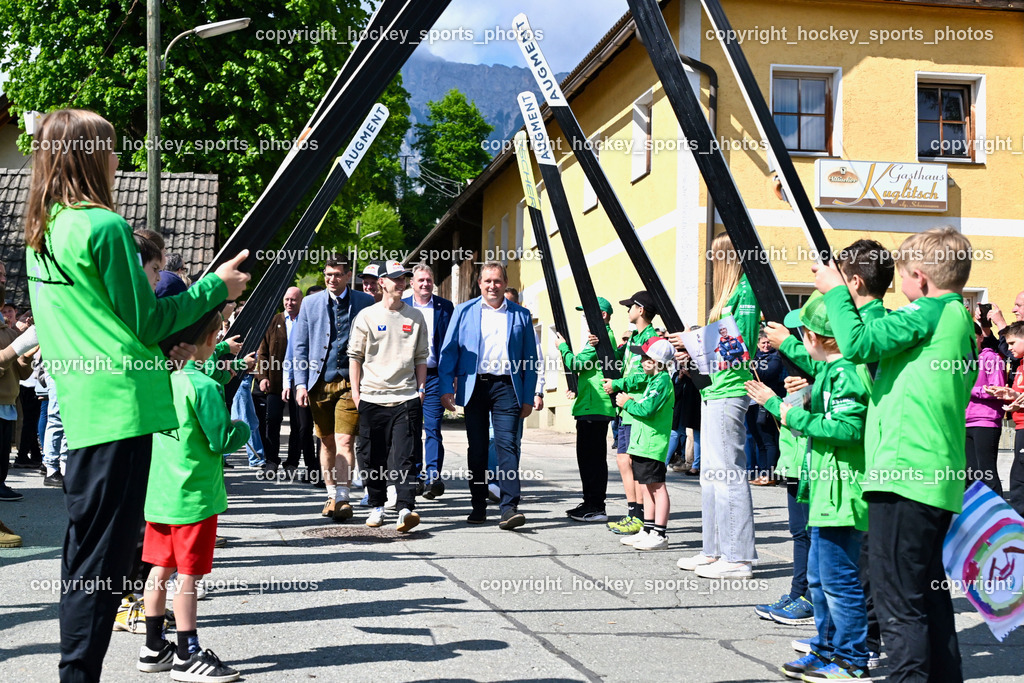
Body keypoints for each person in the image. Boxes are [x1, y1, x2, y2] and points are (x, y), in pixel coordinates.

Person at [24, 109, 249, 682]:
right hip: (123, 412)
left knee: (83, 563)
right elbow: (148, 321)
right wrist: (213, 290)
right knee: (101, 568)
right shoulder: (103, 226)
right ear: (89, 155)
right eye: (112, 148)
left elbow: (108, 325)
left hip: (85, 410)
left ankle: (76, 670)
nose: (119, 159)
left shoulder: (44, 229)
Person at [813, 226, 976, 683]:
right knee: (926, 596)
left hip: (905, 474)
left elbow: (858, 344)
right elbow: (876, 368)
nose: (898, 284)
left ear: (919, 278)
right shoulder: (954, 318)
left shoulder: (927, 310)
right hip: (932, 477)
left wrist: (836, 294)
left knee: (897, 602)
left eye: (902, 275)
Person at [747, 292, 872, 681]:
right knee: (820, 580)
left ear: (817, 338)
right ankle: (825, 648)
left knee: (839, 582)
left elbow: (849, 428)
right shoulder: (831, 372)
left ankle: (852, 659)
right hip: (822, 491)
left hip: (842, 493)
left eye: (803, 332)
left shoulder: (848, 373)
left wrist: (782, 409)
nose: (799, 339)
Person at [137, 312, 246, 681]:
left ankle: (154, 646)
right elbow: (220, 439)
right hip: (194, 496)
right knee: (188, 578)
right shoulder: (205, 387)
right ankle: (187, 653)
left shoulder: (160, 379)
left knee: (159, 570)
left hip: (160, 492)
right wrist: (243, 429)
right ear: (213, 337)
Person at [676, 233, 759, 579]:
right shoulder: (727, 297)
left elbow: (742, 345)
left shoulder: (746, 292)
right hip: (713, 390)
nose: (711, 264)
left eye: (714, 258)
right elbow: (718, 349)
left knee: (729, 473)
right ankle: (714, 550)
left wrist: (694, 341)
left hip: (731, 391)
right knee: (710, 475)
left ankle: (738, 557)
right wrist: (691, 350)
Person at [438, 262, 538, 529]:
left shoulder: (521, 315)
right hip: (475, 387)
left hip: (508, 387)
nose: (492, 286)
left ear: (505, 284)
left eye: (497, 281)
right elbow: (448, 352)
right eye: (487, 281)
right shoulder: (463, 311)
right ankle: (478, 504)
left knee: (507, 445)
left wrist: (528, 396)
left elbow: (530, 358)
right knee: (479, 449)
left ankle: (508, 507)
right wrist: (447, 387)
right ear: (479, 284)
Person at [349, 260, 428, 531]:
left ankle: (405, 508)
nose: (401, 283)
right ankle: (377, 506)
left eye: (404, 278)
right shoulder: (366, 316)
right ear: (382, 282)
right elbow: (355, 358)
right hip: (372, 397)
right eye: (396, 278)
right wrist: (356, 394)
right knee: (372, 456)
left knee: (405, 456)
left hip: (406, 397)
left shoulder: (415, 317)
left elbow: (421, 357)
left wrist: (420, 389)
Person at [292, 260, 374, 522]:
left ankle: (344, 496)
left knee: (345, 440)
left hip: (351, 382)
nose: (331, 279)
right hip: (319, 382)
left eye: (337, 275)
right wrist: (300, 383)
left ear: (348, 276)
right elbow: (300, 346)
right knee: (326, 440)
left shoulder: (364, 302)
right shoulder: (311, 303)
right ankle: (330, 494)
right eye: (328, 275)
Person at [556, 297, 617, 522]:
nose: (584, 318)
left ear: (601, 315)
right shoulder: (597, 338)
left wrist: (562, 347)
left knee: (592, 459)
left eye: (587, 314)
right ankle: (589, 501)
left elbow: (577, 364)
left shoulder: (600, 338)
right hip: (590, 405)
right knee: (588, 458)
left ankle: (596, 506)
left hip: (595, 406)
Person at [602, 292, 657, 536]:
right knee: (623, 460)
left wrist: (618, 384)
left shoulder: (651, 339)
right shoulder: (635, 336)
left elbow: (645, 374)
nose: (627, 311)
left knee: (633, 463)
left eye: (630, 307)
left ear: (641, 310)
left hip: (637, 407)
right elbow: (620, 363)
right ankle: (633, 511)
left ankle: (640, 515)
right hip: (625, 408)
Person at [615, 337, 676, 550]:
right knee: (646, 487)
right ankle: (648, 529)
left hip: (652, 444)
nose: (641, 361)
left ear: (656, 361)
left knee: (657, 487)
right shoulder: (653, 380)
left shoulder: (662, 381)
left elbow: (647, 410)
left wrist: (627, 402)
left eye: (644, 357)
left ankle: (660, 533)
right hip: (642, 443)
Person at [402, 264, 454, 499]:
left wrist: (451, 377)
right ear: (412, 283)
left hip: (434, 376)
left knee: (433, 427)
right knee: (410, 428)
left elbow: (452, 345)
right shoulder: (402, 308)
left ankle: (433, 476)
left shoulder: (445, 308)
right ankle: (414, 476)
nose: (425, 284)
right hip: (406, 377)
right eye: (420, 280)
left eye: (429, 280)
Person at [256, 287, 315, 476]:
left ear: (301, 301)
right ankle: (271, 460)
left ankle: (292, 462)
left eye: (294, 300)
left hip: (300, 382)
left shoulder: (307, 321)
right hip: (274, 381)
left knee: (299, 424)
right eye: (287, 299)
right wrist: (262, 376)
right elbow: (262, 352)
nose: (290, 303)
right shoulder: (273, 321)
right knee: (271, 420)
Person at [0, 262, 33, 502]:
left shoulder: (7, 328)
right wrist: (19, 345)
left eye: (3, 274)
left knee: (2, 453)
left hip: (7, 402)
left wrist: (27, 353)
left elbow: (21, 373)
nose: (3, 279)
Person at [985, 321, 1024, 513]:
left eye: (1012, 343)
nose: (1008, 349)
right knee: (1017, 479)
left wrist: (1019, 399)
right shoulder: (1021, 365)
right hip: (1019, 427)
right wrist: (1010, 395)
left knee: (1018, 482)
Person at [966, 323, 1006, 494]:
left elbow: (998, 390)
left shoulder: (991, 358)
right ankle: (975, 517)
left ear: (981, 337)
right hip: (963, 422)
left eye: (972, 336)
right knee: (969, 475)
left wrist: (968, 390)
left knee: (986, 474)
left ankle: (999, 517)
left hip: (986, 421)